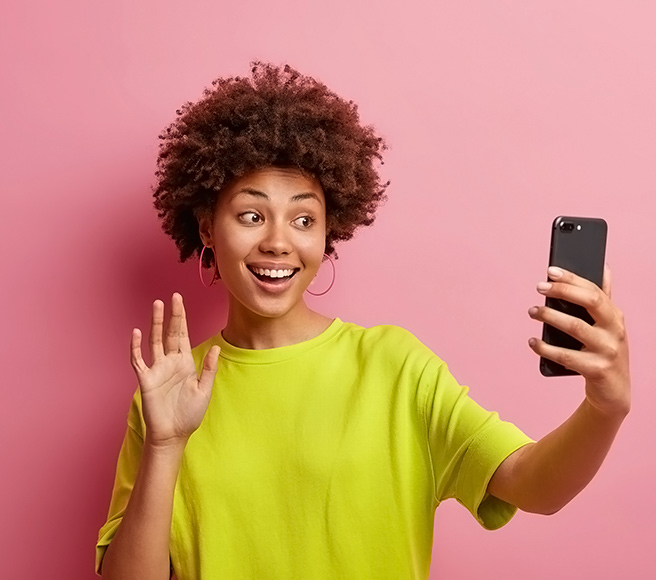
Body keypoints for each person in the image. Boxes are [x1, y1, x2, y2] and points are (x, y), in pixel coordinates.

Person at [95, 62, 631, 580]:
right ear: (208, 228)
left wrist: (605, 408)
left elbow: (535, 485)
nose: (279, 241)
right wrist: (165, 445)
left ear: (329, 234)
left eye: (304, 219)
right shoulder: (170, 390)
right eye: (252, 215)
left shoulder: (392, 366)